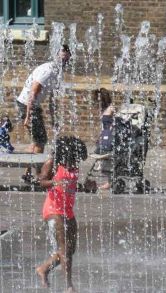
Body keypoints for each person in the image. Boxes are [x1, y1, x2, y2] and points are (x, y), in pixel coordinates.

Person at [36, 136, 87, 293]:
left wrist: (87, 187)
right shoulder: (52, 163)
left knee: (70, 250)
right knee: (65, 249)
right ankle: (69, 287)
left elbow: (71, 185)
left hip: (68, 210)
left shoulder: (72, 165)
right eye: (76, 154)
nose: (78, 159)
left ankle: (44, 268)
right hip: (53, 209)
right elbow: (41, 181)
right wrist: (54, 183)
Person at [16, 45, 71, 183]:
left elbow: (52, 98)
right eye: (62, 58)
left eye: (67, 59)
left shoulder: (57, 72)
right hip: (27, 105)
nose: (65, 62)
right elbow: (33, 92)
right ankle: (39, 175)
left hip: (31, 105)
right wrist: (28, 116)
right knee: (41, 141)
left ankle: (28, 174)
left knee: (36, 140)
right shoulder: (48, 71)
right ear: (57, 56)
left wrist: (54, 118)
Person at [93, 88, 115, 190]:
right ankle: (109, 181)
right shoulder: (103, 109)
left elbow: (114, 124)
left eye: (98, 100)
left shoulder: (111, 109)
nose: (97, 103)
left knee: (106, 159)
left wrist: (110, 134)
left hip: (109, 138)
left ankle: (110, 182)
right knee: (101, 159)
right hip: (104, 137)